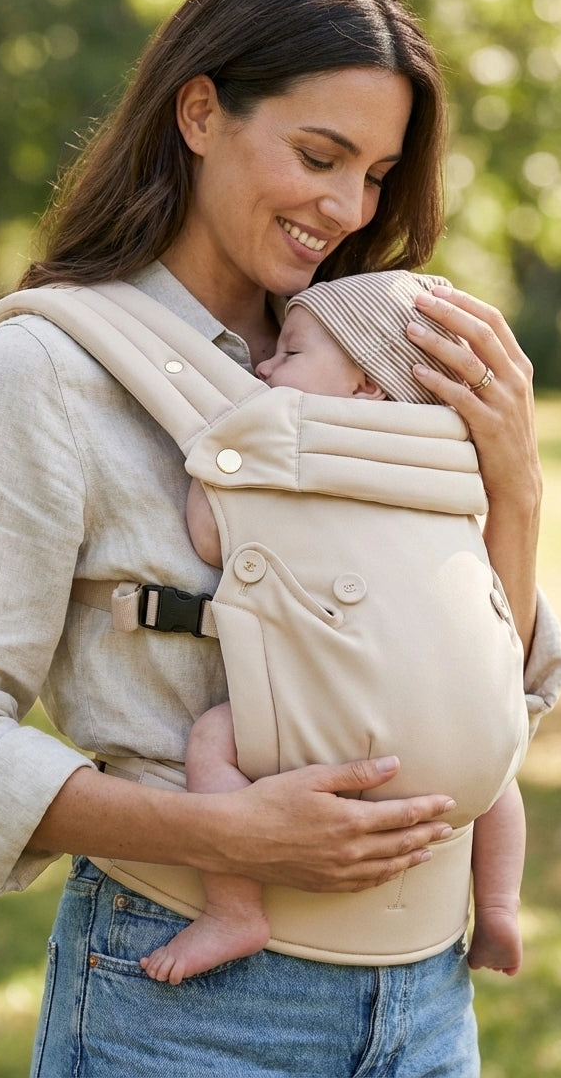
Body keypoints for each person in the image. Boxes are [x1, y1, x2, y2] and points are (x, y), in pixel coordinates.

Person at [0, 0, 561, 1077]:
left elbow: (501, 686)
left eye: (379, 174)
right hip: (190, 1008)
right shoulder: (50, 372)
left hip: (432, 998)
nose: (347, 209)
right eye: (318, 154)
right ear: (200, 111)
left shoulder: (377, 361)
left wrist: (517, 488)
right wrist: (224, 834)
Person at [140, 270, 527, 987]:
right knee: (497, 763)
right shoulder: (447, 465)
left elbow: (208, 538)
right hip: (455, 744)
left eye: (290, 352)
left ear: (367, 387)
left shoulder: (282, 451)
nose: (263, 365)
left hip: (336, 731)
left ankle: (233, 908)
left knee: (211, 740)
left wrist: (213, 465)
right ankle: (499, 903)